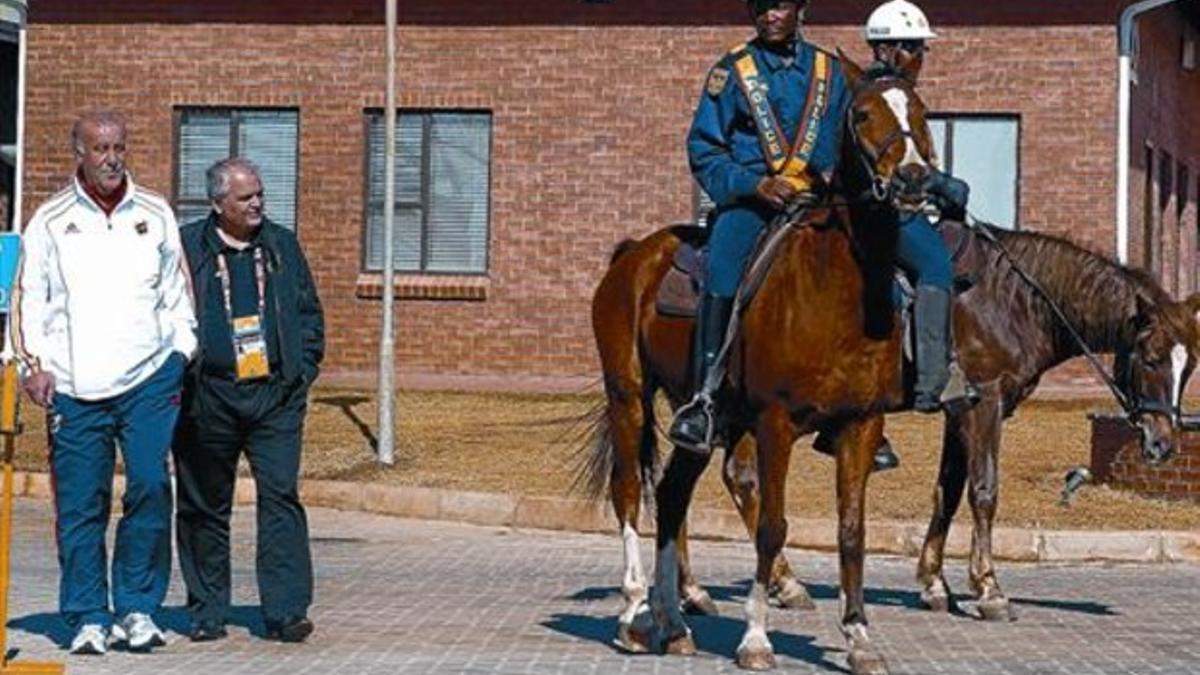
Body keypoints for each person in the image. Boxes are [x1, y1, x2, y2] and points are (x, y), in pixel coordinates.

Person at [14, 109, 196, 654]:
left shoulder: (156, 213)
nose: (112, 158)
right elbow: (29, 303)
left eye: (119, 147)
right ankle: (89, 613)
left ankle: (138, 608)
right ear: (80, 153)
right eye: (100, 149)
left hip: (147, 380)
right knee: (81, 505)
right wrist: (33, 365)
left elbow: (177, 291)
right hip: (74, 387)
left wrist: (180, 352)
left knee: (149, 486)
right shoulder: (49, 221)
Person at [669, 0, 856, 455]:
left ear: (800, 9)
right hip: (754, 201)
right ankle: (705, 399)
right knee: (724, 269)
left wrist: (837, 173)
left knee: (871, 266)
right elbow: (705, 149)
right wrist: (753, 184)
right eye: (759, 7)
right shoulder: (732, 71)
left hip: (817, 200)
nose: (768, 15)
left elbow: (854, 139)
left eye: (778, 5)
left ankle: (859, 403)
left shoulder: (832, 73)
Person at [172, 157, 324, 644]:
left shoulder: (280, 244)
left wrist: (302, 371)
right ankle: (207, 610)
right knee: (203, 505)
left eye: (259, 194)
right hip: (206, 396)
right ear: (218, 204)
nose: (257, 203)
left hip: (274, 396)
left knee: (280, 496)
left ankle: (286, 610)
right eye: (245, 197)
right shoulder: (187, 245)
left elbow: (308, 312)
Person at [863, 0, 977, 420]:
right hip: (883, 213)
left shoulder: (906, 97)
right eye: (914, 48)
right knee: (934, 266)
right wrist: (929, 181)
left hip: (907, 206)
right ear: (886, 50)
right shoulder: (880, 96)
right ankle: (934, 379)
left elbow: (922, 160)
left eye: (921, 49)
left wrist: (943, 182)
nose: (920, 58)